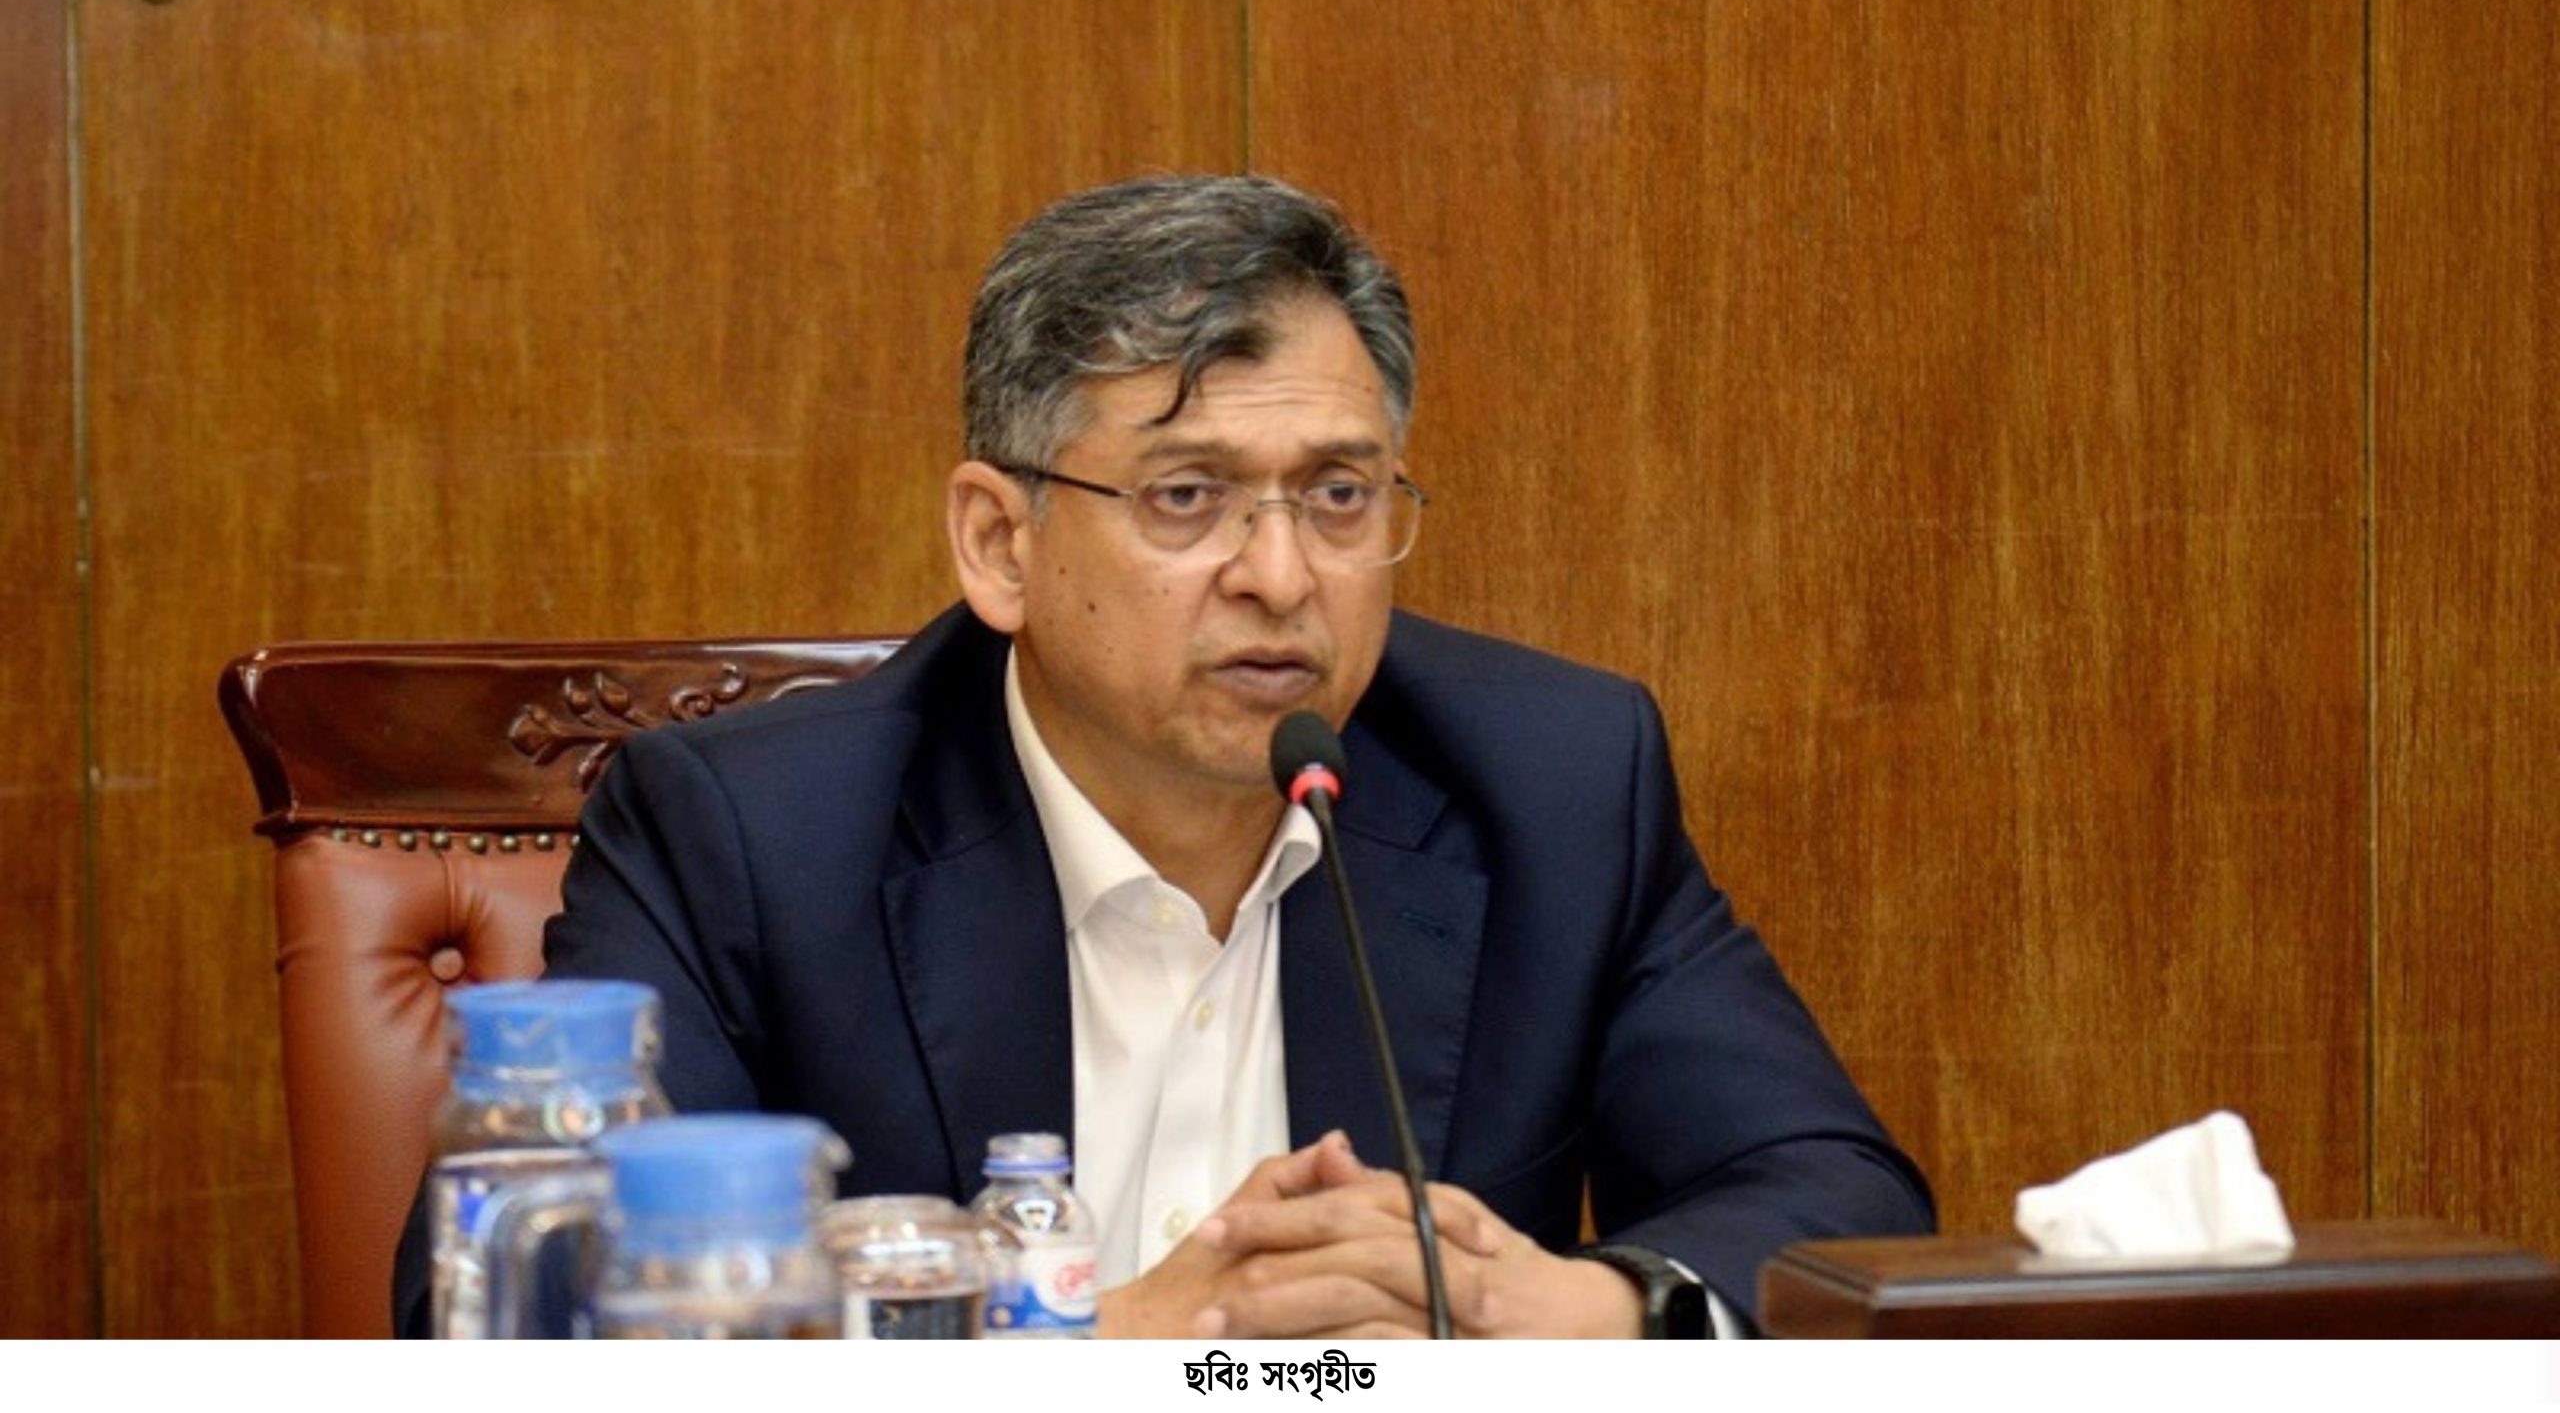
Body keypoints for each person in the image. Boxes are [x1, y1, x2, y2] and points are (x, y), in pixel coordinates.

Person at [397, 174, 1931, 1338]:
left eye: (1340, 495)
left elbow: (1838, 1201)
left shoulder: (1553, 782)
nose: (1282, 575)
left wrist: (1568, 1310)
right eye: (1188, 497)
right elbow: (524, 1308)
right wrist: (1112, 1347)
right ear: (1001, 544)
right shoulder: (749, 834)